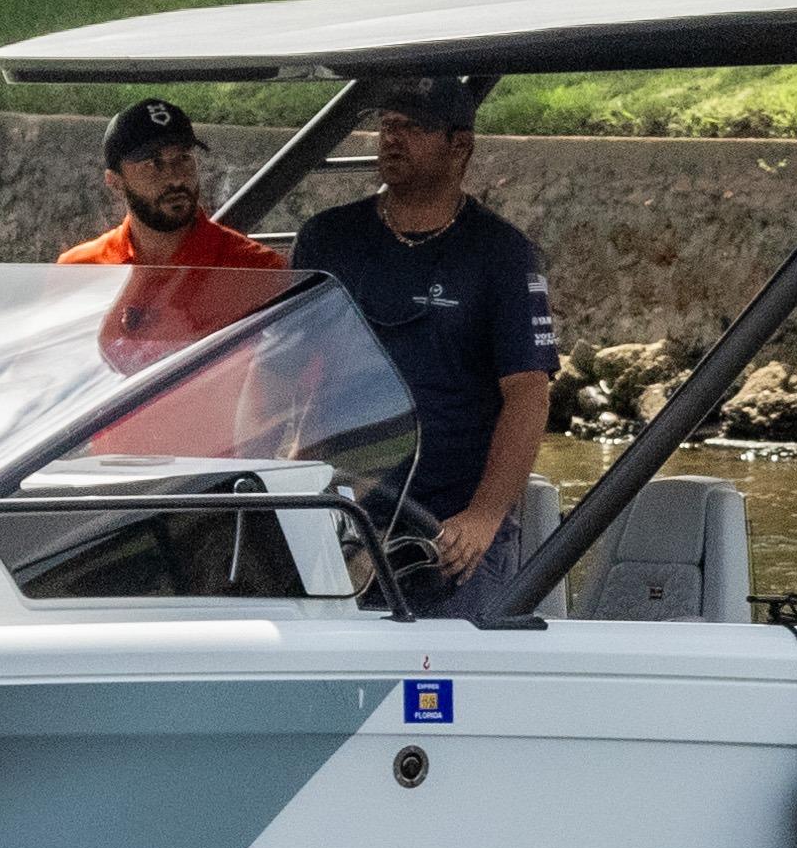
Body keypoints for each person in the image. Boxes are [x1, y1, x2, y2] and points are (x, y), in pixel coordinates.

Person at [288, 73, 554, 618]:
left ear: (461, 145)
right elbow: (280, 370)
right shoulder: (326, 238)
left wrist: (483, 518)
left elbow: (528, 393)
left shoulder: (502, 254)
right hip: (340, 520)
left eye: (412, 127)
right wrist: (282, 480)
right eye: (386, 125)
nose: (391, 138)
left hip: (453, 534)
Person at [61, 100, 286, 271]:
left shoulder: (257, 269)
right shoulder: (80, 269)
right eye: (152, 164)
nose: (175, 178)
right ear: (115, 181)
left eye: (183, 158)